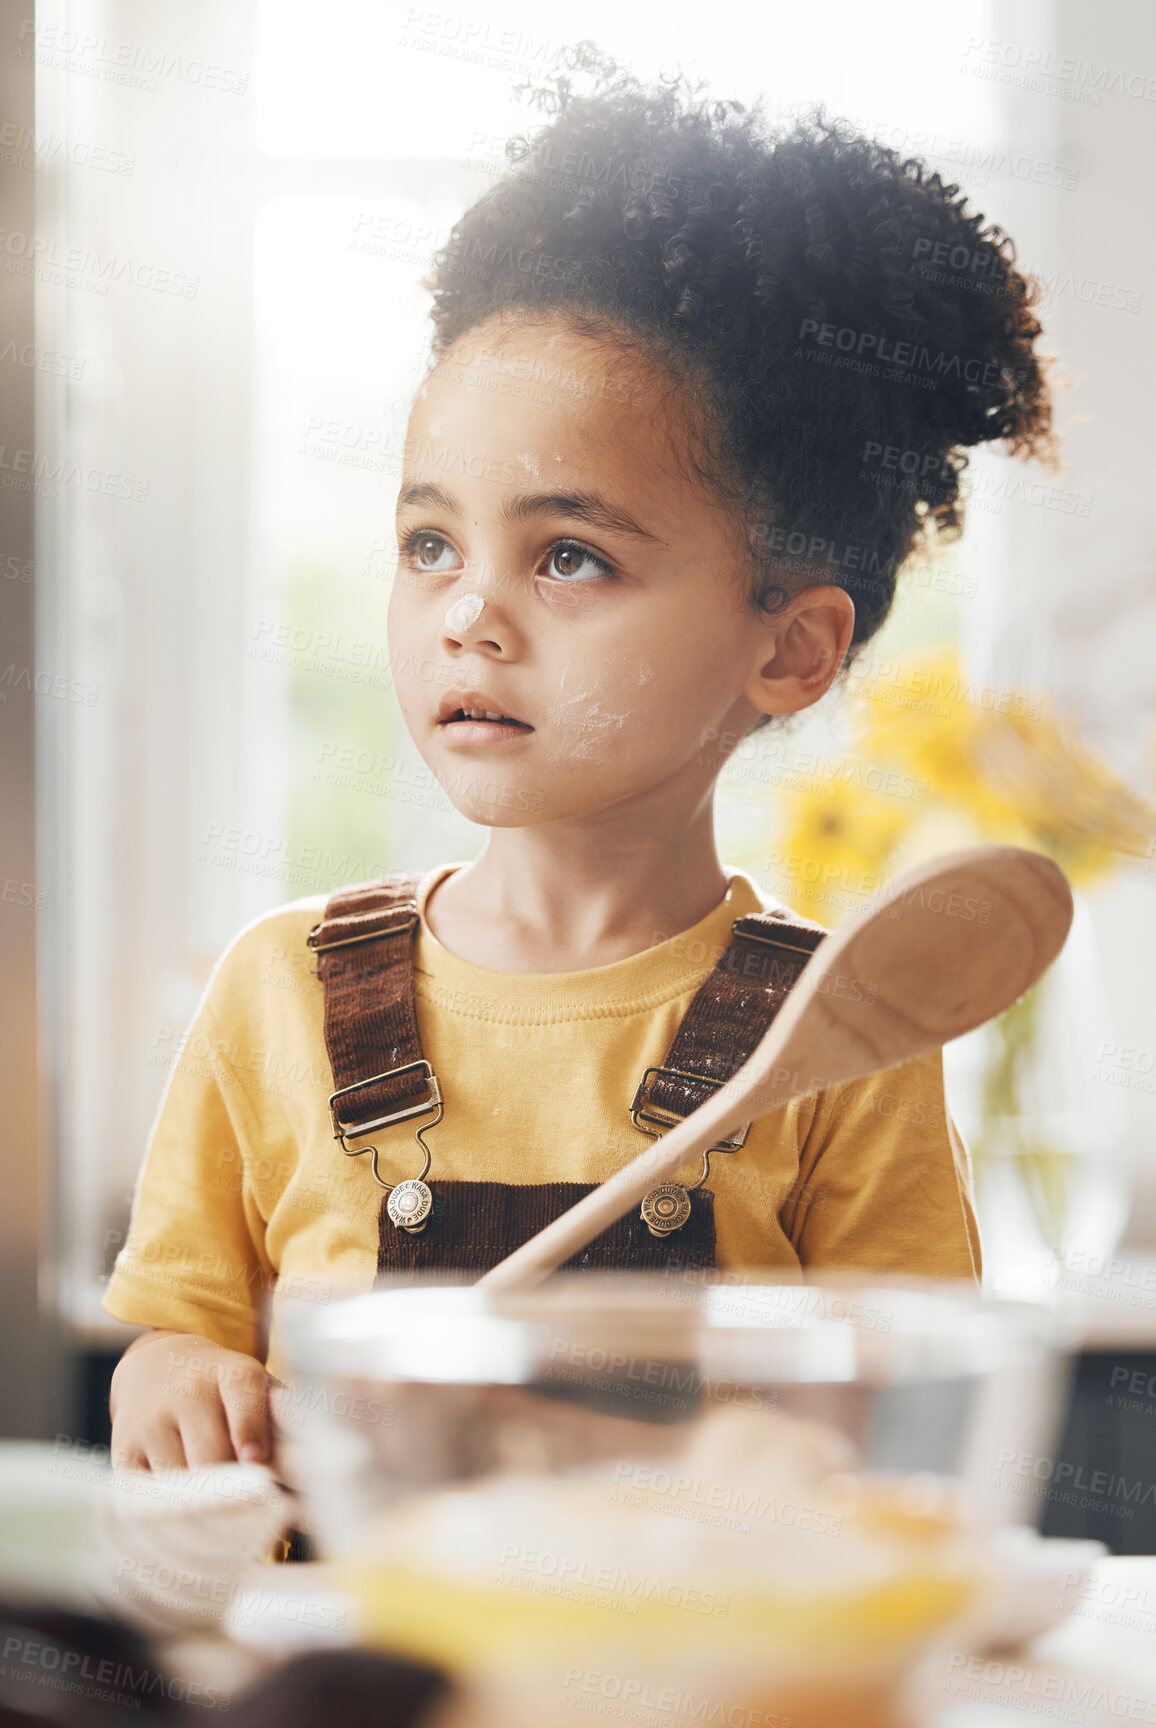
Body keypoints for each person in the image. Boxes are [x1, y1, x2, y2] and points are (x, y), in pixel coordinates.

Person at [104, 46, 1054, 1472]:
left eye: (569, 556)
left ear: (788, 651)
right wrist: (175, 1389)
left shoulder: (838, 1040)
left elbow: (896, 1432)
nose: (468, 613)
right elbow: (178, 1334)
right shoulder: (279, 993)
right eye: (430, 544)